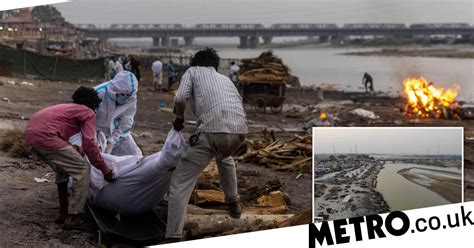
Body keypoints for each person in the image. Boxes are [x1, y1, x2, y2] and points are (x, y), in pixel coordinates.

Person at [165, 48, 248, 240]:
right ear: (215, 65)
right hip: (239, 131)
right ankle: (234, 201)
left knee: (180, 183)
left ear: (195, 63)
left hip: (212, 131)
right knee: (224, 158)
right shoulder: (225, 79)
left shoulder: (193, 72)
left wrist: (179, 117)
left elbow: (179, 98)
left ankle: (172, 236)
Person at [24, 86, 115, 228]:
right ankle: (74, 217)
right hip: (46, 136)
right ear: (94, 104)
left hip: (31, 137)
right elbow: (90, 143)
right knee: (83, 169)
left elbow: (62, 140)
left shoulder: (67, 109)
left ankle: (63, 212)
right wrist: (106, 170)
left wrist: (77, 149)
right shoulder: (88, 112)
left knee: (62, 169)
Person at [67, 126, 186, 215]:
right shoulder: (83, 141)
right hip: (122, 196)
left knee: (144, 165)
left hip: (122, 195)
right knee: (149, 166)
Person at [94, 71, 143, 156]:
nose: (125, 98)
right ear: (115, 90)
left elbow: (126, 121)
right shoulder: (98, 93)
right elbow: (86, 117)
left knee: (134, 155)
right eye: (123, 95)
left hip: (117, 134)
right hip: (96, 132)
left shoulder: (131, 98)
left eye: (128, 95)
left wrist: (113, 141)